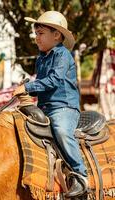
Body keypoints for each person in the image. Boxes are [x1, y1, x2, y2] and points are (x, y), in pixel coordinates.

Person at [13, 11, 88, 197]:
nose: (36, 37)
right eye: (36, 33)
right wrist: (27, 88)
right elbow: (42, 86)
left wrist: (28, 86)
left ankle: (80, 175)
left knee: (61, 130)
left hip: (64, 108)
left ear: (56, 35)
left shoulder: (63, 55)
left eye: (40, 33)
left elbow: (54, 80)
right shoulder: (41, 59)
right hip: (45, 108)